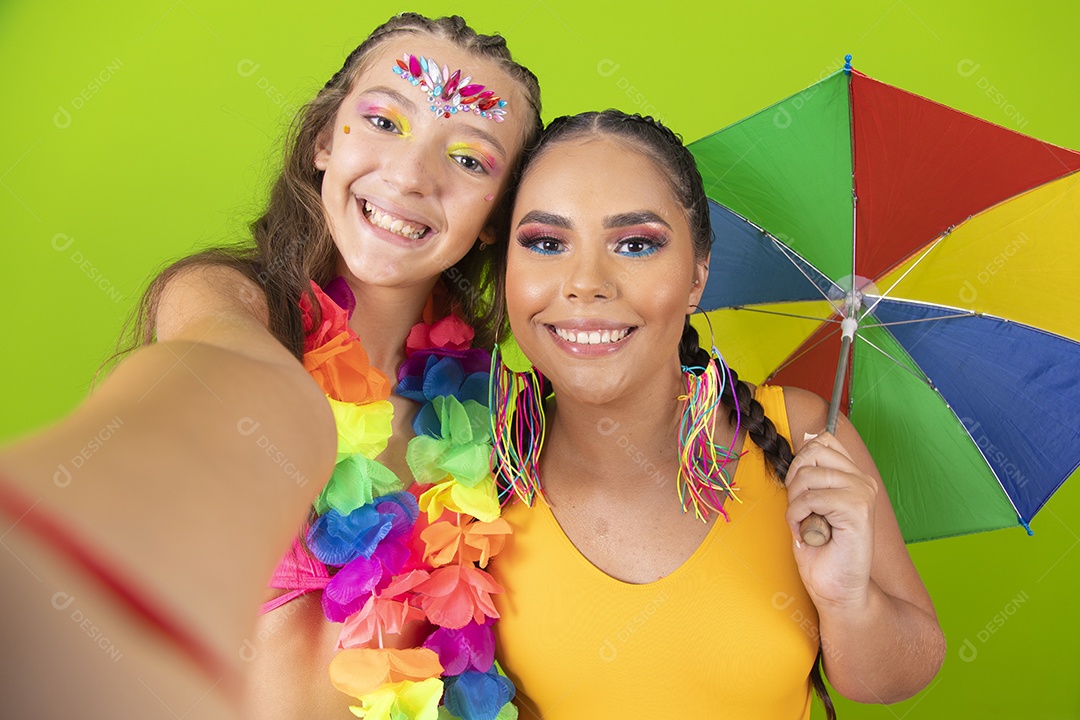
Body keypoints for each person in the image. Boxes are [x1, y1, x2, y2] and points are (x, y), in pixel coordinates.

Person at [0, 13, 540, 720]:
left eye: (469, 160)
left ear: (497, 217)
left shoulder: (495, 415)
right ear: (323, 140)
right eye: (383, 121)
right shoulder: (227, 302)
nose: (410, 176)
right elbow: (221, 373)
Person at [485, 110, 946, 718]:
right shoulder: (472, 466)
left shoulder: (803, 434)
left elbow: (890, 679)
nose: (586, 283)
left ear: (698, 272)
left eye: (635, 244)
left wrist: (847, 599)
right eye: (546, 242)